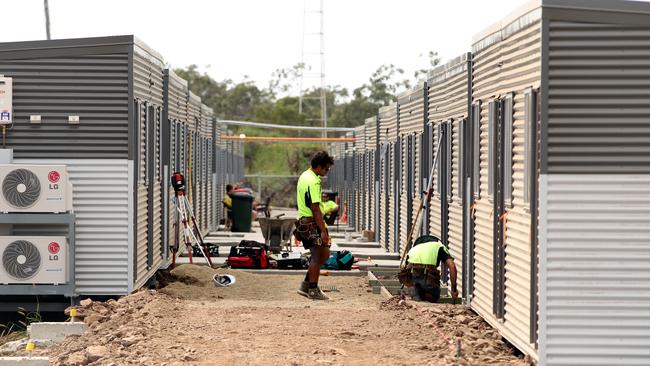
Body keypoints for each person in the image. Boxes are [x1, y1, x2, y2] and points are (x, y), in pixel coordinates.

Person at [295, 151, 334, 300]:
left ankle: (306, 284)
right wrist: (323, 231)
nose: (327, 171)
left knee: (324, 254)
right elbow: (315, 207)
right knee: (317, 256)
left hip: (307, 221)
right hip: (311, 223)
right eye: (326, 168)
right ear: (318, 166)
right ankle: (312, 289)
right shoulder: (313, 181)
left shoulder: (305, 175)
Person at [401, 235, 459, 302]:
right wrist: (453, 290)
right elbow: (452, 266)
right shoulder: (439, 246)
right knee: (432, 297)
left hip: (415, 279)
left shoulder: (412, 250)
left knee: (417, 296)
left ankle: (417, 295)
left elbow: (405, 272)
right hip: (429, 279)